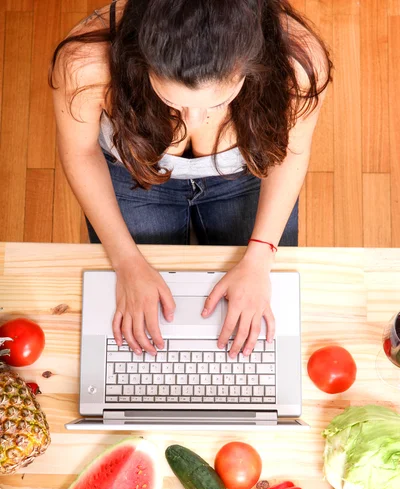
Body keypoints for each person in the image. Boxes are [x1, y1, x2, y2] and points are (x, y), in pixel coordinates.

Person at [51, 0, 332, 358]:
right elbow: (81, 152)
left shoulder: (299, 61)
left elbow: (291, 152)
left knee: (259, 309)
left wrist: (260, 258)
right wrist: (125, 261)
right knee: (135, 307)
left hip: (245, 172)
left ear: (252, 62)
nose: (194, 121)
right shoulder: (84, 61)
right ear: (141, 57)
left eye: (216, 104)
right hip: (135, 170)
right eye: (173, 100)